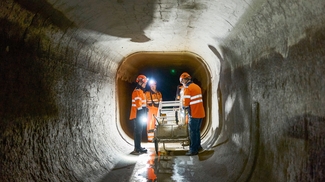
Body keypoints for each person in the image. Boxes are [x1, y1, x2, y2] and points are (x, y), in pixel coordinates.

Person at [179, 72, 205, 156]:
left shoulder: (187, 88)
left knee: (193, 132)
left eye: (182, 81)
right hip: (200, 113)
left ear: (184, 80)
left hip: (194, 113)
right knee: (197, 131)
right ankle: (198, 147)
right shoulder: (197, 87)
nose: (182, 83)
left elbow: (186, 103)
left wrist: (183, 107)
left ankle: (193, 150)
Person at [129, 74, 148, 154]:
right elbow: (138, 104)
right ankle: (136, 148)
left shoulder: (140, 91)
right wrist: (142, 111)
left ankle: (139, 147)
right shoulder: (137, 91)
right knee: (137, 131)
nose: (145, 84)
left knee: (139, 131)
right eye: (144, 83)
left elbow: (142, 103)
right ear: (140, 82)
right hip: (137, 114)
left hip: (140, 113)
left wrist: (145, 109)